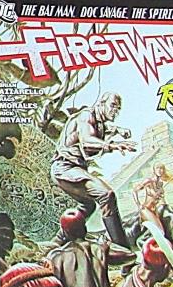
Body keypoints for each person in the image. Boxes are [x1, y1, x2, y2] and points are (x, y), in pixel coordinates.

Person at [51, 92, 135, 248]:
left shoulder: (98, 121)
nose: (115, 111)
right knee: (106, 195)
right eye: (112, 105)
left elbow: (100, 130)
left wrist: (117, 130)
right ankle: (122, 248)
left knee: (88, 206)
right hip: (65, 168)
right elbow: (87, 140)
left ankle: (56, 242)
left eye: (118, 109)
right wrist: (112, 145)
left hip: (72, 168)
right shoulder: (86, 116)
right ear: (101, 103)